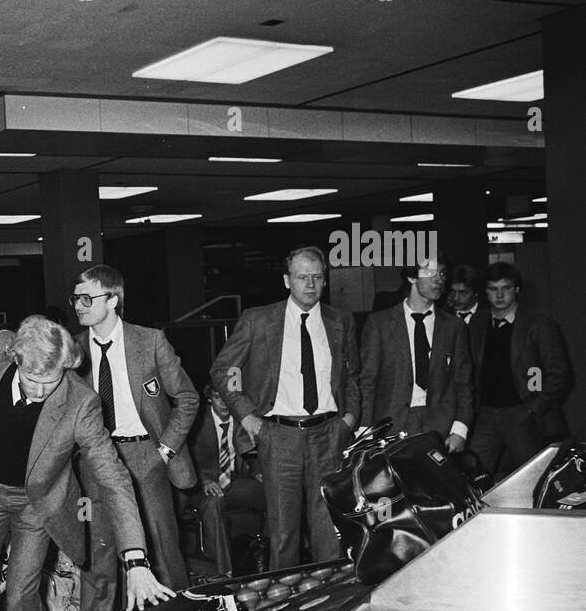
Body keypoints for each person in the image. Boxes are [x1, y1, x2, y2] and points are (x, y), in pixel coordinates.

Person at [0, 316, 171, 611]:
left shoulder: (80, 402)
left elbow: (114, 477)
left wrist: (136, 559)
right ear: (15, 358)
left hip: (36, 502)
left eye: (51, 381)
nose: (41, 392)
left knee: (20, 596)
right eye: (32, 380)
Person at [210, 245, 360, 571]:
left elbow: (351, 375)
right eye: (302, 277)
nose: (310, 284)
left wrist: (349, 418)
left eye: (317, 277)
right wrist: (248, 416)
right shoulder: (258, 320)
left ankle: (330, 601)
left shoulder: (340, 321)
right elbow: (224, 370)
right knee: (282, 533)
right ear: (286, 280)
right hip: (279, 435)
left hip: (329, 434)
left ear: (325, 281)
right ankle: (287, 605)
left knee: (329, 529)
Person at [70, 265, 197, 611]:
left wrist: (164, 450)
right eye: (75, 298)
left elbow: (187, 398)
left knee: (161, 547)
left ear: (112, 300)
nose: (78, 306)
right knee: (100, 554)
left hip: (147, 453)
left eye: (87, 298)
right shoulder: (74, 351)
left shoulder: (150, 341)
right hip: (96, 459)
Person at [468, 262, 572, 477]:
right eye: (493, 289)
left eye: (505, 288)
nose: (499, 295)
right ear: (485, 292)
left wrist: (534, 407)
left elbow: (558, 372)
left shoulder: (538, 324)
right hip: (485, 413)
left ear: (516, 290)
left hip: (522, 412)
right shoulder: (478, 322)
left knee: (533, 477)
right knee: (474, 476)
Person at [359, 256, 473, 447]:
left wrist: (460, 430)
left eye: (442, 273)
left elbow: (463, 382)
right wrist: (364, 431)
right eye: (430, 273)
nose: (439, 280)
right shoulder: (380, 324)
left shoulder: (454, 326)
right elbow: (368, 381)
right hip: (390, 424)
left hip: (440, 425)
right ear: (411, 278)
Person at [183, 381, 266, 576]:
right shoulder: (196, 420)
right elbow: (183, 458)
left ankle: (263, 551)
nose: (224, 403)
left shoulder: (241, 419)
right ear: (209, 397)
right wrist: (203, 480)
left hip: (232, 481)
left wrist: (257, 471)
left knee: (275, 493)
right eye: (218, 397)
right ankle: (224, 572)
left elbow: (254, 452)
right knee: (214, 503)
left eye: (228, 398)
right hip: (200, 486)